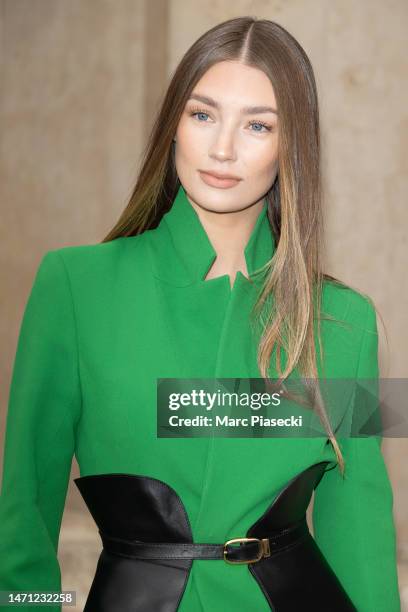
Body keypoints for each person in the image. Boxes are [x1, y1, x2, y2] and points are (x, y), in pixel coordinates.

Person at [0, 15, 400, 612]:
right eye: (203, 114)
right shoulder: (74, 285)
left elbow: (361, 534)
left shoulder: (345, 321)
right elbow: (24, 510)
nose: (222, 148)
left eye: (258, 125)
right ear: (174, 126)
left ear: (292, 148)